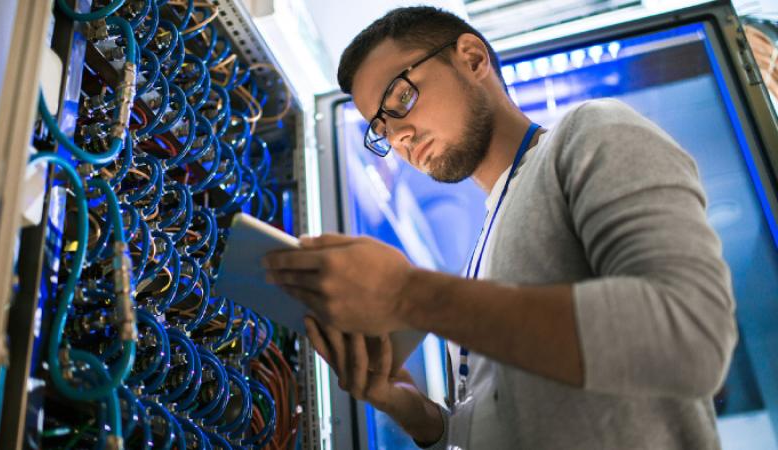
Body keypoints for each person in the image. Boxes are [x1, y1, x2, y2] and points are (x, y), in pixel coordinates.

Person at [263, 6, 737, 449]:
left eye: (401, 97)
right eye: (381, 129)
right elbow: (497, 424)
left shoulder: (591, 133)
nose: (399, 136)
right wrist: (410, 409)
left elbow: (688, 335)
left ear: (471, 58)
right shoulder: (478, 255)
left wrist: (408, 294)